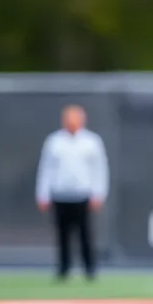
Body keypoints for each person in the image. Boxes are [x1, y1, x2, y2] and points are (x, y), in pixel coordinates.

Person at [35, 105, 108, 280]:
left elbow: (100, 169)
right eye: (69, 118)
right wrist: (43, 194)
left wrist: (99, 193)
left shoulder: (92, 141)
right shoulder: (54, 141)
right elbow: (46, 169)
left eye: (76, 118)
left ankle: (89, 268)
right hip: (60, 194)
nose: (72, 122)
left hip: (82, 193)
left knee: (85, 233)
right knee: (62, 234)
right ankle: (64, 268)